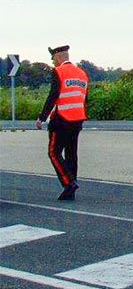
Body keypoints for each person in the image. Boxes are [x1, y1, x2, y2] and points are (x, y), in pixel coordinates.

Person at [35, 45, 89, 200]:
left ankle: (68, 183)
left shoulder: (59, 71)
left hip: (61, 118)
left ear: (58, 57)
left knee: (54, 152)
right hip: (77, 119)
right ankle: (71, 188)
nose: (53, 62)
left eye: (53, 59)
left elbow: (53, 95)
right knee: (71, 154)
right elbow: (85, 98)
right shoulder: (82, 73)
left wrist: (42, 117)